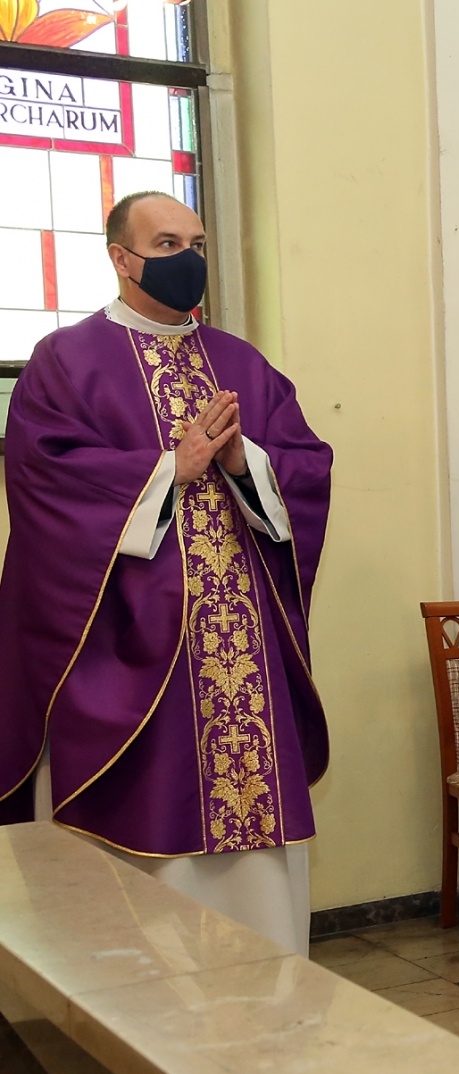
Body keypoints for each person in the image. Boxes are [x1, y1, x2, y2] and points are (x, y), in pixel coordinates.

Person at [0, 191, 333, 955]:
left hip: (239, 646)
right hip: (135, 640)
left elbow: (309, 466)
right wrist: (167, 470)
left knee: (251, 831)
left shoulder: (241, 362)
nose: (189, 257)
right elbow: (47, 483)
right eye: (168, 242)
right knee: (146, 817)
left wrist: (244, 461)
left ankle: (268, 982)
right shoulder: (67, 361)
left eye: (198, 240)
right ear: (121, 258)